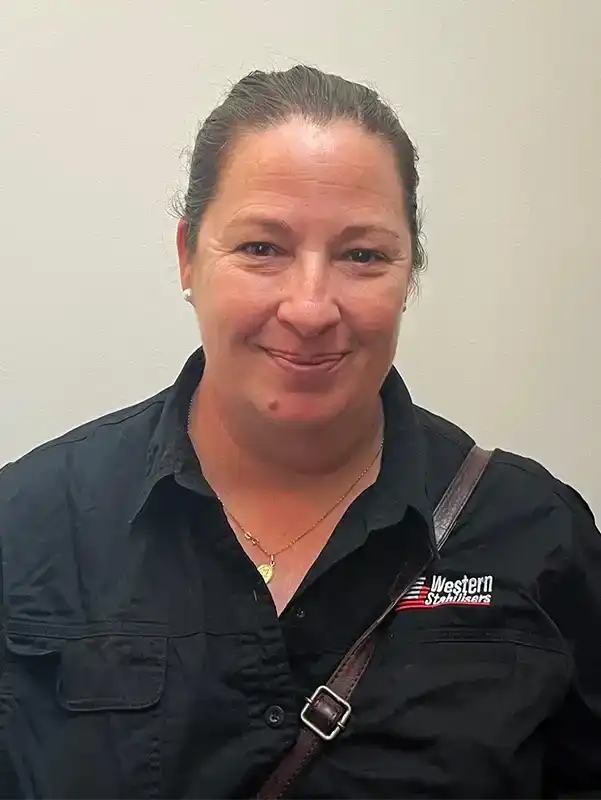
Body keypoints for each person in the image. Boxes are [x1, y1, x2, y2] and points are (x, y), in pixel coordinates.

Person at [0, 65, 599, 800]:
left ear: (408, 273)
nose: (311, 308)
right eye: (261, 248)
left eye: (362, 256)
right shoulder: (25, 526)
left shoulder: (533, 532)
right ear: (188, 255)